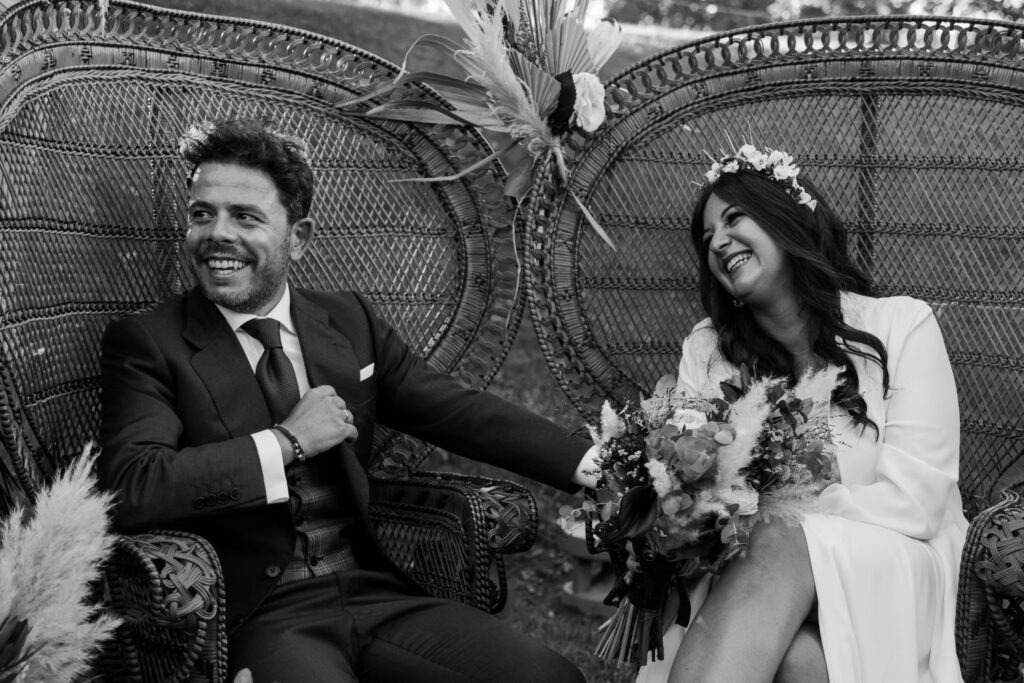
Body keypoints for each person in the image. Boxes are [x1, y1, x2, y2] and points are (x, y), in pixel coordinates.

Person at [97, 118, 596, 683]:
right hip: (260, 614)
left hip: (372, 591)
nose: (217, 234)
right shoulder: (150, 342)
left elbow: (459, 412)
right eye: (202, 214)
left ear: (299, 237)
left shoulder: (349, 320)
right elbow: (134, 487)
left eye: (245, 217)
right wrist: (286, 441)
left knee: (550, 678)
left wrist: (596, 465)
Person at [636, 145, 966, 683]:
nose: (718, 242)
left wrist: (783, 506)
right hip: (757, 581)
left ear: (786, 220)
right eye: (708, 236)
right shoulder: (708, 350)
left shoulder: (903, 326)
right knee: (799, 663)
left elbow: (919, 504)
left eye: (734, 219)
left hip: (898, 570)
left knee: (777, 528)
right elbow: (694, 493)